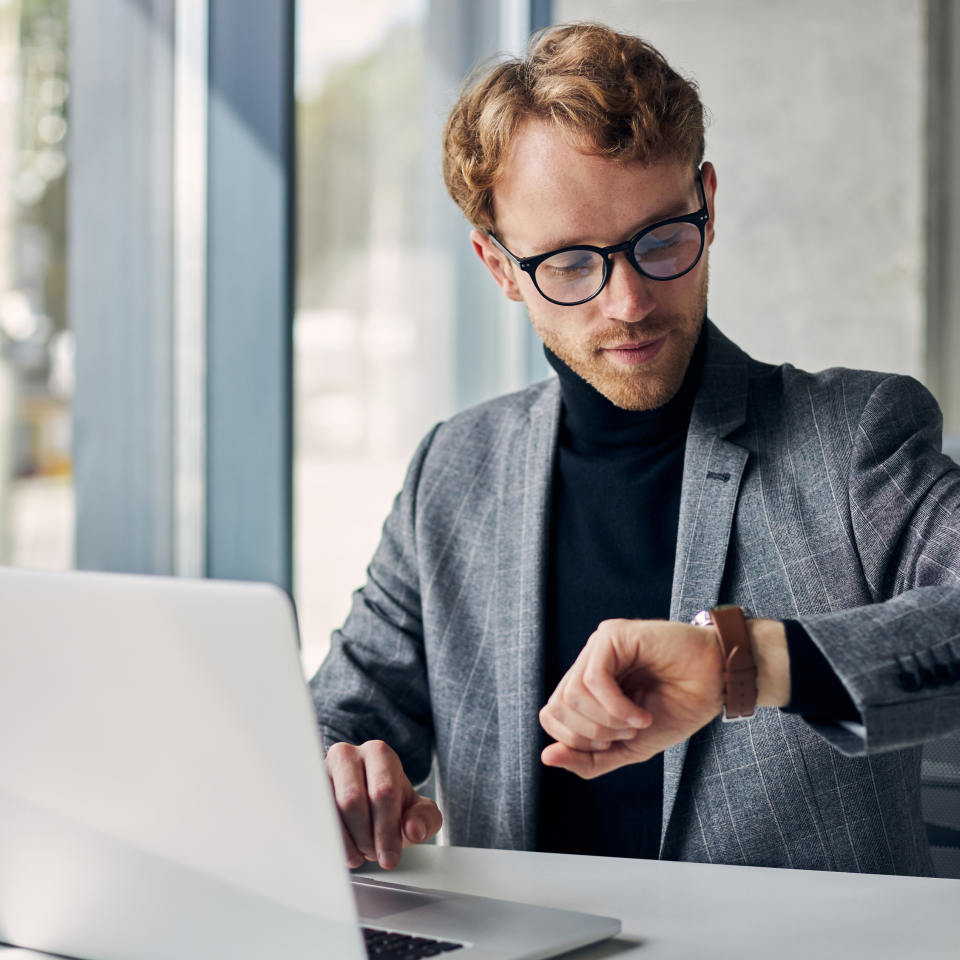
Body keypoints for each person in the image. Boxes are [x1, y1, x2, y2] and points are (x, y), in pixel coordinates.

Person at [311, 22, 960, 877]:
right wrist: (338, 771)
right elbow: (340, 720)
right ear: (500, 267)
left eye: (660, 241)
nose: (628, 302)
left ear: (709, 203)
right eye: (573, 264)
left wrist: (747, 662)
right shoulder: (453, 472)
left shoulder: (854, 437)